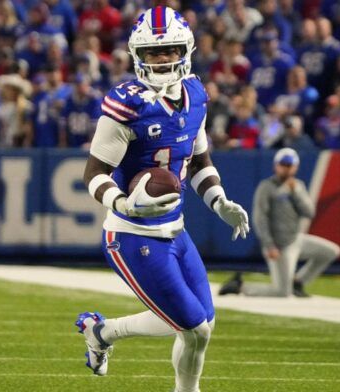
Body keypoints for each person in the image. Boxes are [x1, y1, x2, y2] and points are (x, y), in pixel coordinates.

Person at [77, 7, 250, 392]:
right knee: (191, 325)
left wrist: (219, 201)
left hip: (175, 230)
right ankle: (105, 336)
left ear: (184, 50)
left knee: (203, 327)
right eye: (154, 52)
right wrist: (122, 203)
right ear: (138, 55)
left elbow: (199, 160)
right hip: (131, 234)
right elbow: (93, 174)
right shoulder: (127, 105)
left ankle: (101, 333)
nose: (162, 59)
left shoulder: (195, 95)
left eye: (169, 50)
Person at [219, 148, 340, 297]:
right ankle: (241, 286)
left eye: (289, 165)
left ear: (295, 167)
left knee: (331, 252)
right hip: (279, 245)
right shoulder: (267, 187)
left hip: (296, 239)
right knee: (282, 292)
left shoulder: (298, 186)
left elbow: (309, 212)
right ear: (276, 165)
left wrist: (295, 193)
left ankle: (298, 282)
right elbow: (260, 218)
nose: (286, 169)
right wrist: (269, 245)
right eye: (283, 164)